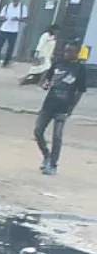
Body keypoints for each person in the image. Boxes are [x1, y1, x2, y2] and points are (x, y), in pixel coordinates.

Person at [36, 38, 87, 176]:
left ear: (76, 53)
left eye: (70, 51)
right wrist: (44, 83)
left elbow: (80, 91)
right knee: (38, 131)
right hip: (49, 104)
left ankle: (52, 164)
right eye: (65, 50)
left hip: (63, 107)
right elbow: (48, 77)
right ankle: (46, 155)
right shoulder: (58, 63)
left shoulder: (80, 69)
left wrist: (71, 108)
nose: (66, 53)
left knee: (57, 136)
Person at [0, 0, 27, 67]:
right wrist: (4, 18)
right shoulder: (7, 7)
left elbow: (24, 18)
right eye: (14, 0)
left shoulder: (22, 7)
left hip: (14, 30)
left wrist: (17, 19)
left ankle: (6, 62)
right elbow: (0, 17)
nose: (15, 1)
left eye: (17, 0)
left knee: (10, 47)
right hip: (4, 29)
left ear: (19, 0)